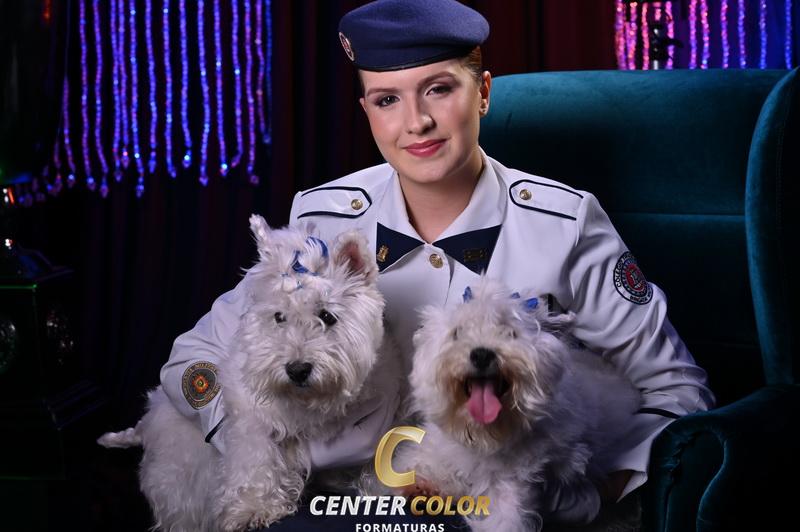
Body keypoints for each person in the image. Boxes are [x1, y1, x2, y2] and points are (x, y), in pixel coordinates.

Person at [159, 0, 715, 528]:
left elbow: (677, 389)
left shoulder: (562, 225)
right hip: (336, 505)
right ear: (366, 112)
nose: (416, 122)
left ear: (483, 93)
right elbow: (192, 361)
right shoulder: (322, 218)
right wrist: (251, 438)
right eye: (387, 100)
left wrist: (600, 488)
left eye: (439, 89)